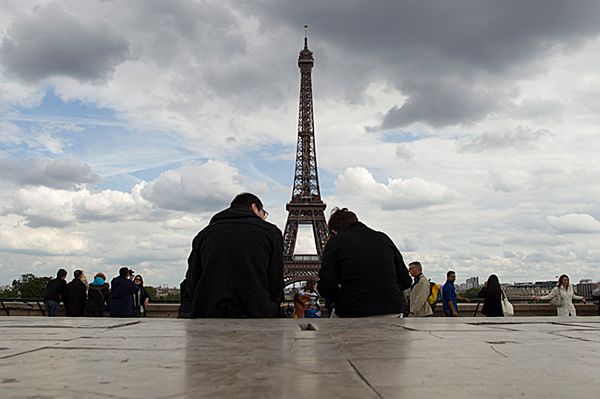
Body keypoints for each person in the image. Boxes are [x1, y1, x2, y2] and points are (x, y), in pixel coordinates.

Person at [186, 193, 284, 318]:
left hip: (210, 314)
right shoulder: (270, 232)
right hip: (257, 314)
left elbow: (193, 278)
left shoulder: (205, 233)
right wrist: (270, 306)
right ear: (254, 207)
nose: (264, 218)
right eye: (263, 213)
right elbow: (276, 277)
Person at [318, 207, 412, 317]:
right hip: (392, 310)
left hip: (353, 311)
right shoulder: (383, 238)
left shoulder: (336, 241)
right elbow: (406, 280)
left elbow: (326, 285)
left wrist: (344, 297)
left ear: (334, 231)